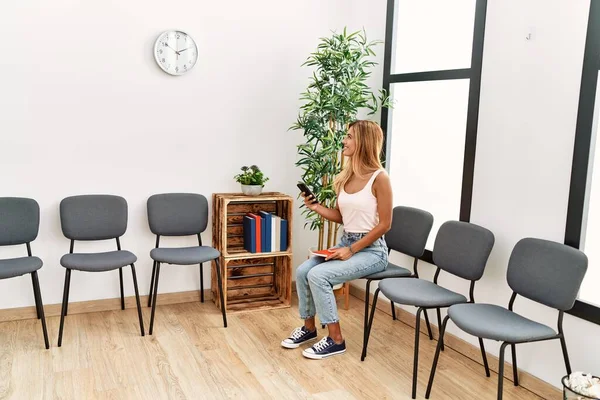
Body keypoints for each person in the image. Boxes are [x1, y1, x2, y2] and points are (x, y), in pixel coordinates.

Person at [281, 120, 393, 359]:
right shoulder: (347, 177)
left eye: (350, 136)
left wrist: (351, 250)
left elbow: (385, 224)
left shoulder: (380, 178)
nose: (344, 140)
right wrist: (316, 207)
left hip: (372, 251)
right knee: (303, 271)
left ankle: (336, 339)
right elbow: (343, 217)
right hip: (348, 241)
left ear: (363, 141)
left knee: (319, 275)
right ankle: (309, 329)